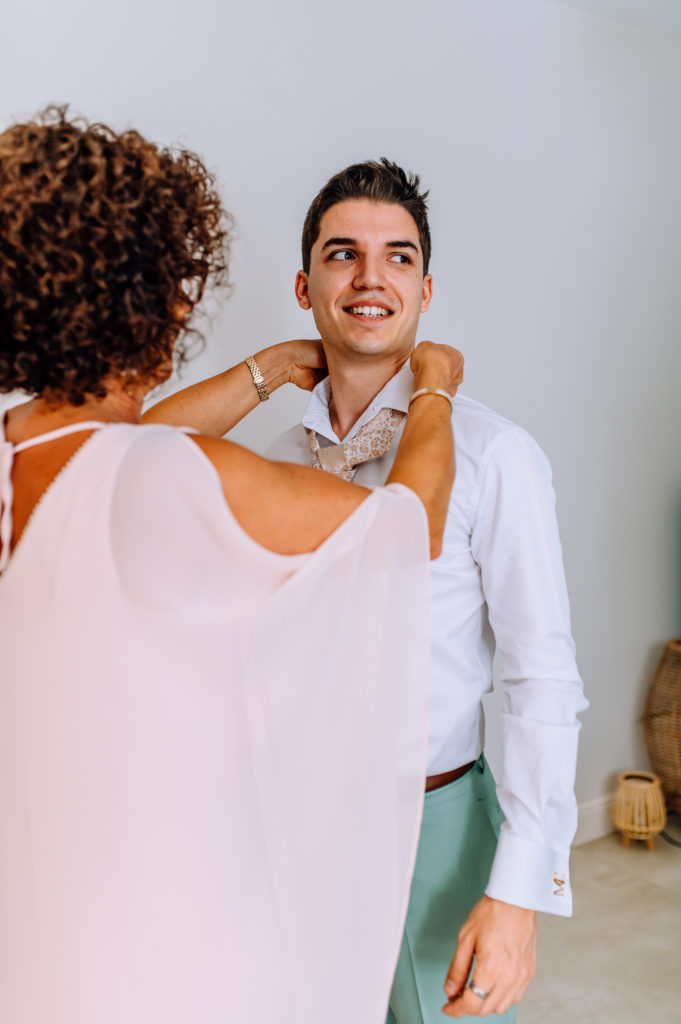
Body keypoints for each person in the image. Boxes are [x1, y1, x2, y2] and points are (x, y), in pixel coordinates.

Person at [0, 112, 464, 1024]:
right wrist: (437, 385)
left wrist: (265, 369)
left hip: (32, 886)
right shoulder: (163, 476)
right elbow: (410, 522)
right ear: (149, 299)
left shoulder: (24, 451)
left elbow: (117, 444)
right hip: (141, 903)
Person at [156, 159, 588, 1022]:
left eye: (397, 257)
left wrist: (517, 892)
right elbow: (134, 462)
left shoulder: (494, 456)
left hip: (433, 824)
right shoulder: (275, 460)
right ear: (304, 285)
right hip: (289, 824)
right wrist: (269, 367)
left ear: (424, 290)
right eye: (341, 253)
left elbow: (540, 676)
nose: (368, 277)